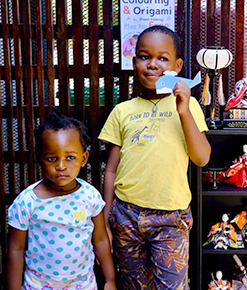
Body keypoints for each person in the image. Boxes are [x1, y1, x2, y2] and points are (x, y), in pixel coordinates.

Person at [99, 25, 211, 289]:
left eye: (162, 58)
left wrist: (183, 111)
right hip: (126, 216)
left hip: (171, 219)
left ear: (177, 65)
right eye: (144, 56)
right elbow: (112, 170)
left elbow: (202, 158)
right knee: (133, 286)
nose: (152, 65)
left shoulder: (188, 105)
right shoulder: (122, 111)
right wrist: (104, 218)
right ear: (134, 60)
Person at [7, 111, 116, 290]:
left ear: (83, 158)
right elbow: (15, 250)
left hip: (83, 285)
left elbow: (101, 240)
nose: (61, 166)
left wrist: (110, 279)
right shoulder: (27, 202)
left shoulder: (90, 196)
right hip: (38, 286)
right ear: (40, 159)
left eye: (70, 157)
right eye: (52, 158)